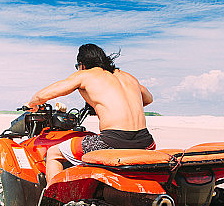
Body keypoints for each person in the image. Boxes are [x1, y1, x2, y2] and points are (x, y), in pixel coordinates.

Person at [26, 43, 155, 182]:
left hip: (112, 142)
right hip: (146, 142)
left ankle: (53, 200)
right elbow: (148, 99)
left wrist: (31, 104)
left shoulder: (86, 75)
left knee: (53, 153)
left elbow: (42, 96)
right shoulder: (128, 77)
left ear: (82, 64)